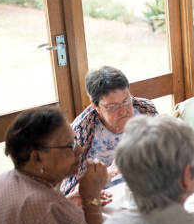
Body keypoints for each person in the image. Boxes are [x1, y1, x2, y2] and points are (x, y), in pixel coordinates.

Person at [60, 65, 157, 195]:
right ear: (95, 106)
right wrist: (109, 172)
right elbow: (69, 193)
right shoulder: (80, 132)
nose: (123, 111)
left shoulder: (145, 110)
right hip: (105, 200)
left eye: (126, 101)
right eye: (113, 106)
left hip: (148, 190)